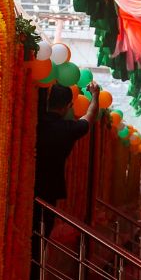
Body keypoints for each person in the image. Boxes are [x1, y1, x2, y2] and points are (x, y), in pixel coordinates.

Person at [33, 82, 97, 236]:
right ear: (69, 106)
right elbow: (90, 116)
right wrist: (95, 95)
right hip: (49, 190)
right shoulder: (69, 129)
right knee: (42, 233)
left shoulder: (35, 120)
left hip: (26, 186)